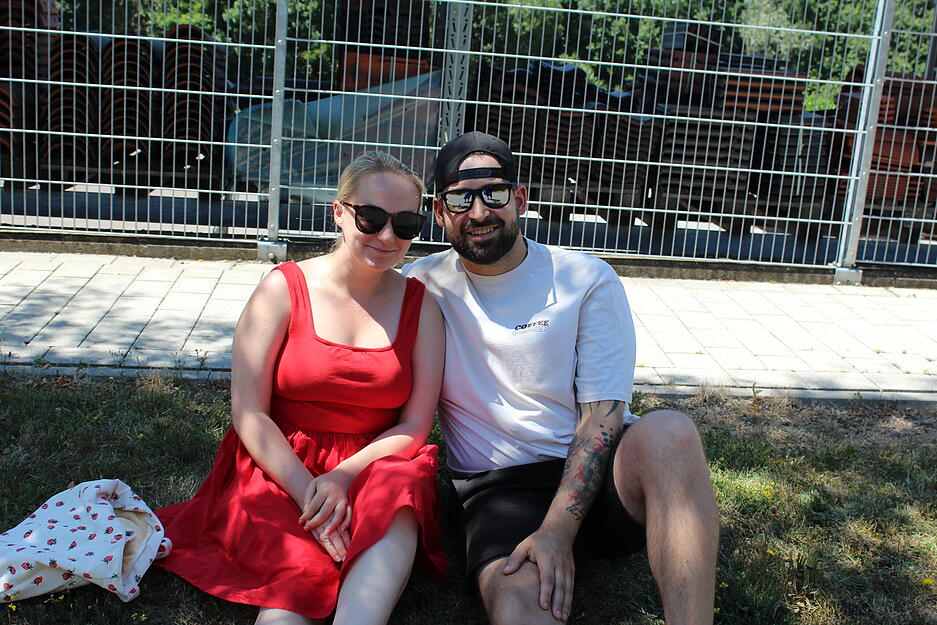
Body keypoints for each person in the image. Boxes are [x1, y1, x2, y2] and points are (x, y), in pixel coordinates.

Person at [403, 132, 719, 625]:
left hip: (599, 476)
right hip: (497, 490)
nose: (480, 211)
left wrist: (556, 531)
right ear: (440, 213)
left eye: (495, 193)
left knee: (670, 432)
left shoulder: (585, 278)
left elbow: (602, 417)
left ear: (521, 200)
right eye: (461, 198)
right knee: (518, 608)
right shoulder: (420, 286)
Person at [155, 151, 447, 625]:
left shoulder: (422, 307)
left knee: (401, 485)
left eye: (406, 223)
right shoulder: (282, 288)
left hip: (374, 461)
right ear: (339, 211)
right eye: (371, 218)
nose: (388, 236)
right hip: (280, 462)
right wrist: (310, 490)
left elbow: (415, 424)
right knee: (296, 583)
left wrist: (344, 477)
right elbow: (250, 413)